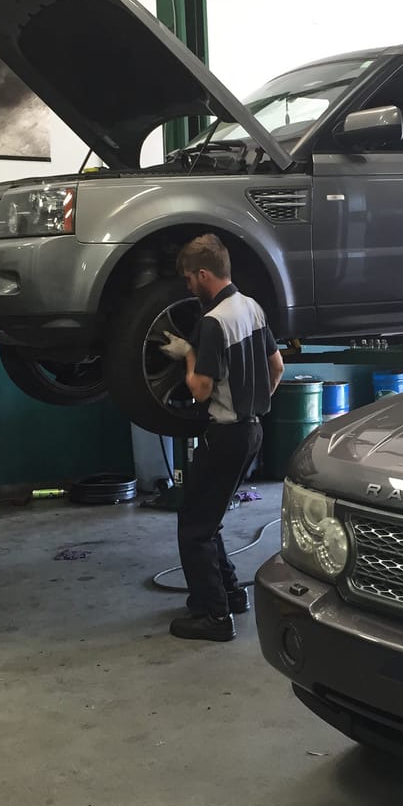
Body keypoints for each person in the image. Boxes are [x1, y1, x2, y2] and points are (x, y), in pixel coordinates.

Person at [160, 233, 284, 642]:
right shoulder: (251, 307)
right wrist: (254, 401)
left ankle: (214, 617)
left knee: (194, 526)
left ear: (203, 274)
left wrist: (188, 353)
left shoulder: (213, 322)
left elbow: (200, 390)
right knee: (208, 518)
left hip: (226, 433)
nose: (187, 286)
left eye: (188, 278)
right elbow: (277, 367)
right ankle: (230, 594)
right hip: (252, 431)